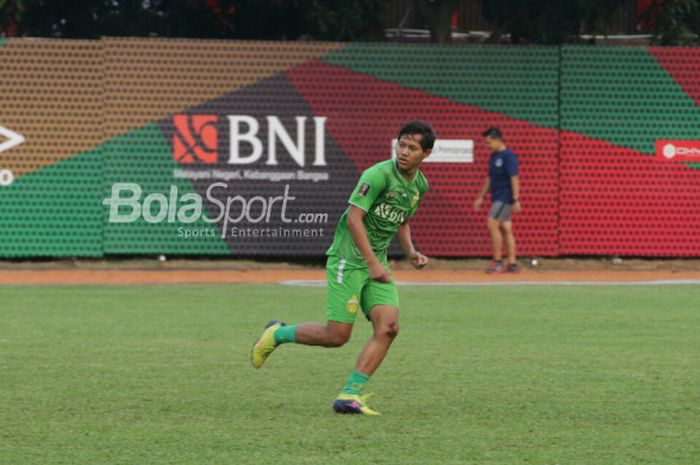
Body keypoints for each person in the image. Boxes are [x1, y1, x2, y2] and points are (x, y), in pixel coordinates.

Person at [250, 121, 435, 416]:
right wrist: (373, 263)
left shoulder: (420, 185)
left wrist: (411, 251)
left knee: (388, 328)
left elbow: (402, 220)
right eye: (401, 145)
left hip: (377, 264)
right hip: (349, 260)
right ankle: (277, 334)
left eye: (412, 148)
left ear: (426, 153)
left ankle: (349, 395)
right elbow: (353, 219)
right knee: (337, 336)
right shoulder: (377, 175)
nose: (403, 152)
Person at [474, 127, 521, 273]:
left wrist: (515, 199)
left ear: (497, 139)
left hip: (505, 198)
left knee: (492, 224)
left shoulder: (508, 156)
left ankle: (498, 261)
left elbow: (514, 178)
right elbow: (489, 179)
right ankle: (512, 263)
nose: (487, 146)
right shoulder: (493, 157)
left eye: (489, 142)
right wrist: (481, 197)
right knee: (506, 229)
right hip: (497, 197)